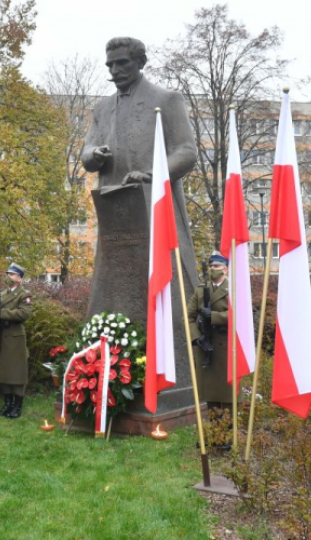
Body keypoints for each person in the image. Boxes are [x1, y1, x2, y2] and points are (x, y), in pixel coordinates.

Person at [80, 37, 199, 409]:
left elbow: (187, 151)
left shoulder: (167, 100)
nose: (115, 71)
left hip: (156, 208)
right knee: (110, 282)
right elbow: (86, 150)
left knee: (167, 285)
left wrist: (152, 173)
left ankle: (171, 375)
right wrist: (93, 156)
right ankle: (100, 375)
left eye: (122, 64)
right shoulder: (102, 108)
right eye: (110, 65)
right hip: (116, 213)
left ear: (139, 62)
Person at [0, 263, 33, 419]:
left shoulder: (24, 294)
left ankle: (17, 406)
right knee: (3, 372)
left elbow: (24, 313)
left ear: (19, 278)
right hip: (0, 336)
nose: (9, 277)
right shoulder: (2, 294)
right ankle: (8, 404)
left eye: (12, 274)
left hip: (14, 339)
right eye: (8, 274)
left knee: (16, 373)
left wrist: (4, 313)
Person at [187, 252, 231, 408]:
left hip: (226, 347)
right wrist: (197, 338)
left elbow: (239, 315)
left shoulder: (233, 289)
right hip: (206, 345)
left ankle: (228, 428)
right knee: (210, 396)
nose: (212, 269)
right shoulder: (200, 291)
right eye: (211, 266)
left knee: (228, 396)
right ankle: (213, 429)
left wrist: (213, 316)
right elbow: (188, 317)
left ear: (225, 269)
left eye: (217, 266)